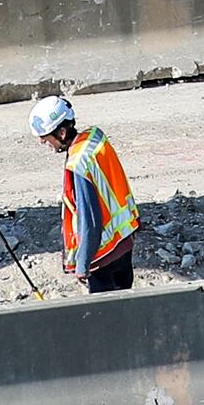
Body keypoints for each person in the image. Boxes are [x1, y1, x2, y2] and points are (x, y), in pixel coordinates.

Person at [30, 94, 138, 292]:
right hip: (124, 240)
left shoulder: (78, 164)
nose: (42, 142)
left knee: (105, 319)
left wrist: (83, 263)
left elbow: (90, 220)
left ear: (62, 133)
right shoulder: (94, 138)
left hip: (104, 256)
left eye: (46, 138)